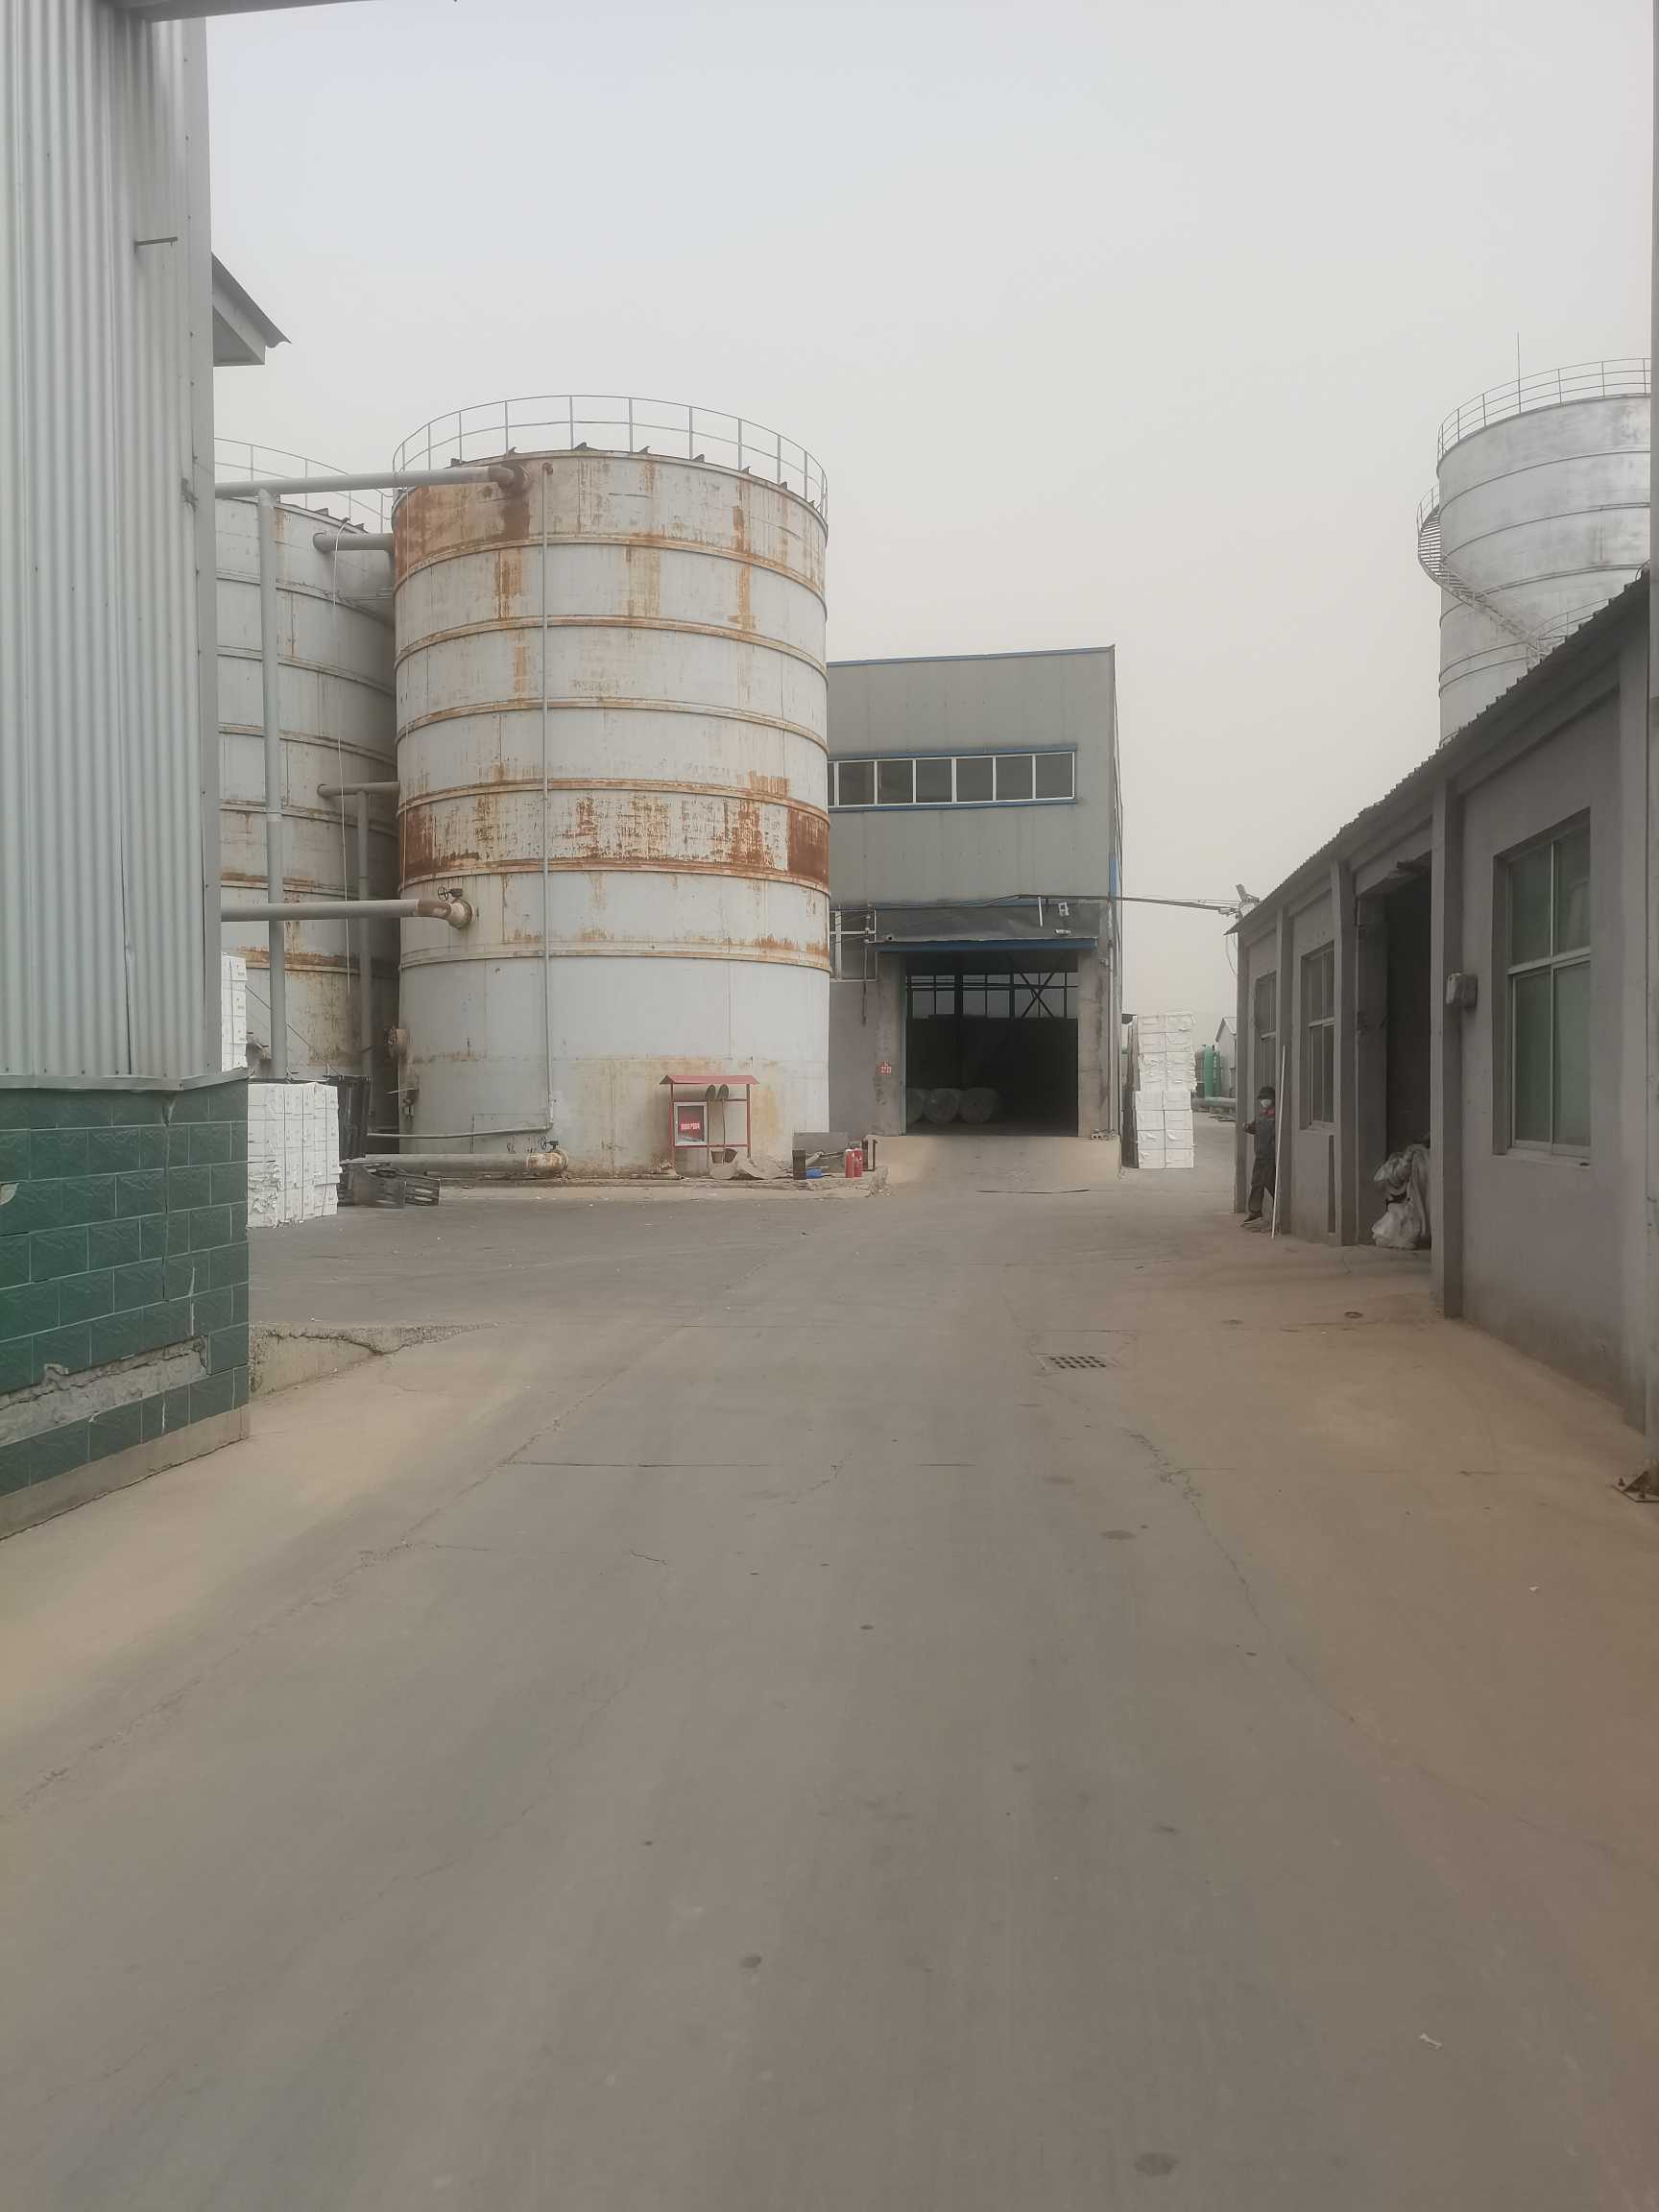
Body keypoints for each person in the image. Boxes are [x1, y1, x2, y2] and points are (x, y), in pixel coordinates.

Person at [1242, 1085, 1277, 1226]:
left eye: (1266, 1098)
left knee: (1271, 1183)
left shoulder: (1276, 1116)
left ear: (1272, 1099)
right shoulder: (1261, 1115)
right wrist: (1247, 1127)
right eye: (1262, 1099)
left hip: (1270, 1156)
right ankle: (1255, 1212)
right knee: (1256, 1183)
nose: (1263, 1101)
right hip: (1260, 1155)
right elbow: (1254, 1128)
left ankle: (1278, 1211)